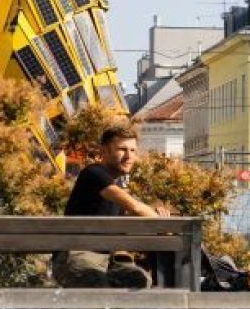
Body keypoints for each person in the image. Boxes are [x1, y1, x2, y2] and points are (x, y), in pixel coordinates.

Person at [53, 124, 171, 289]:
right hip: (78, 254)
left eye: (133, 150)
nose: (129, 156)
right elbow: (135, 207)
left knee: (139, 280)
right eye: (122, 149)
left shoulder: (119, 182)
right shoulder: (94, 173)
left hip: (107, 258)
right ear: (104, 152)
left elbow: (127, 216)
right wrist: (163, 223)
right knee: (97, 285)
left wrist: (157, 214)